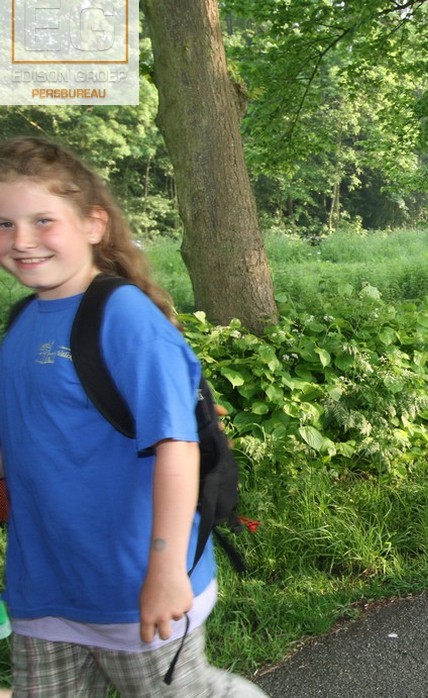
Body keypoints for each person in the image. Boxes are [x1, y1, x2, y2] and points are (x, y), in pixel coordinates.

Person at [0, 136, 267, 696]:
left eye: (43, 221)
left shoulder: (124, 317)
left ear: (93, 224)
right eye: (4, 224)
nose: (21, 240)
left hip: (133, 584)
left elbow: (177, 448)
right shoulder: (22, 321)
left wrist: (166, 572)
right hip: (45, 588)